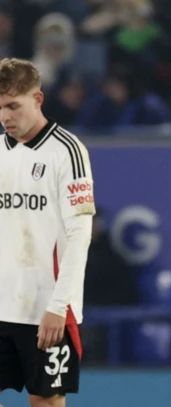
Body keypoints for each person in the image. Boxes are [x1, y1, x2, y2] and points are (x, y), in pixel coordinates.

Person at [0, 58, 95, 406]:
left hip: (45, 310)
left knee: (46, 401)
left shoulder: (67, 152)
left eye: (13, 105)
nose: (5, 117)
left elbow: (79, 234)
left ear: (37, 99)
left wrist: (59, 305)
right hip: (1, 303)